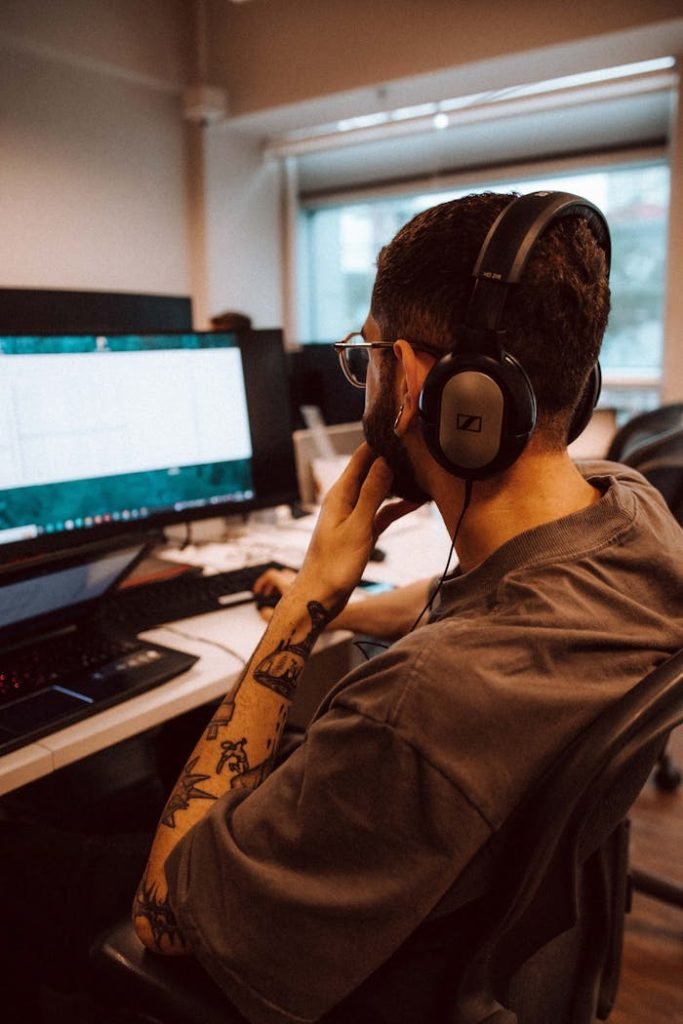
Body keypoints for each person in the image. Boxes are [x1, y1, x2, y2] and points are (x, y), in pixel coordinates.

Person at [131, 190, 683, 1024]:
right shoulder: (631, 513)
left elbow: (162, 915)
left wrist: (305, 604)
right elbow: (471, 595)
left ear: (433, 386)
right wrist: (349, 611)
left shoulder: (419, 704)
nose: (366, 374)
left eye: (369, 355)